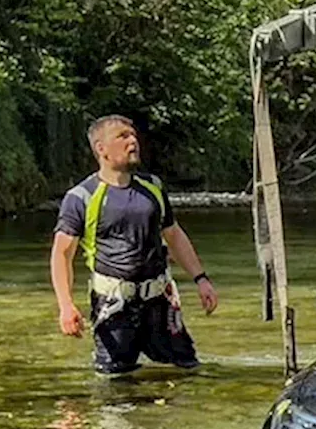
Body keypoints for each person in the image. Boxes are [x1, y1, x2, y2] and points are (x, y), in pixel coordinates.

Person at [50, 115, 219, 375]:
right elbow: (62, 254)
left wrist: (201, 279)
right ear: (101, 149)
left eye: (133, 135)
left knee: (188, 374)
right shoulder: (81, 197)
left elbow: (173, 235)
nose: (133, 141)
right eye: (123, 136)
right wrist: (66, 305)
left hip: (160, 305)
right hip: (114, 307)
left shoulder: (152, 187)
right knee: (115, 387)